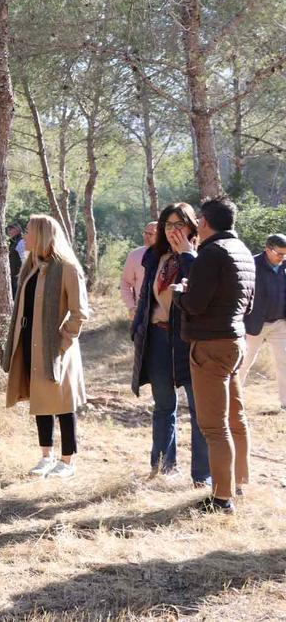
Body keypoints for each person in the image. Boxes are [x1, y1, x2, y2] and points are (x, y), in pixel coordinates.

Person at [172, 196, 255, 514]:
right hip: (235, 341)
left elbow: (194, 304)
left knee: (214, 426)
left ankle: (221, 499)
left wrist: (180, 293)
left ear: (204, 222)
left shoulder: (210, 253)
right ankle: (239, 484)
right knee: (236, 418)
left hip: (210, 344)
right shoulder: (244, 251)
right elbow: (247, 304)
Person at [3, 214, 90, 480]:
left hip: (57, 348)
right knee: (41, 400)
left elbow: (79, 313)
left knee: (63, 404)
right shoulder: (31, 264)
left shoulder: (66, 267)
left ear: (41, 234)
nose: (24, 235)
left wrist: (62, 342)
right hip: (31, 341)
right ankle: (46, 456)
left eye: (28, 231)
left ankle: (67, 461)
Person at [130, 204, 209, 486]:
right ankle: (161, 468)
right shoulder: (155, 256)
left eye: (179, 224)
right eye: (167, 225)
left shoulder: (201, 256)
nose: (172, 230)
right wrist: (138, 329)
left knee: (201, 411)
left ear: (191, 226)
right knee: (164, 406)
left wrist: (187, 254)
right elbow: (144, 298)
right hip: (157, 339)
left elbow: (199, 292)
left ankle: (203, 476)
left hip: (188, 340)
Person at [238, 234, 286, 412]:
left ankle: (285, 402)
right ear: (267, 248)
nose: (282, 258)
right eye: (279, 254)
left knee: (284, 362)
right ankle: (235, 401)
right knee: (244, 362)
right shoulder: (251, 265)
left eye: (285, 254)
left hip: (280, 323)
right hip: (254, 324)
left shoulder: (285, 264)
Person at [121, 222, 159, 318]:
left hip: (165, 316)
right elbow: (125, 282)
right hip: (142, 313)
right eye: (145, 233)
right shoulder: (135, 255)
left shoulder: (170, 255)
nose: (146, 236)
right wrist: (131, 307)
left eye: (150, 234)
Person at [7, 224, 24, 296]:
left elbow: (24, 258)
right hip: (13, 274)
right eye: (9, 229)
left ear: (17, 230)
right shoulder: (13, 242)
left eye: (11, 229)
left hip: (18, 274)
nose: (9, 231)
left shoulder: (21, 242)